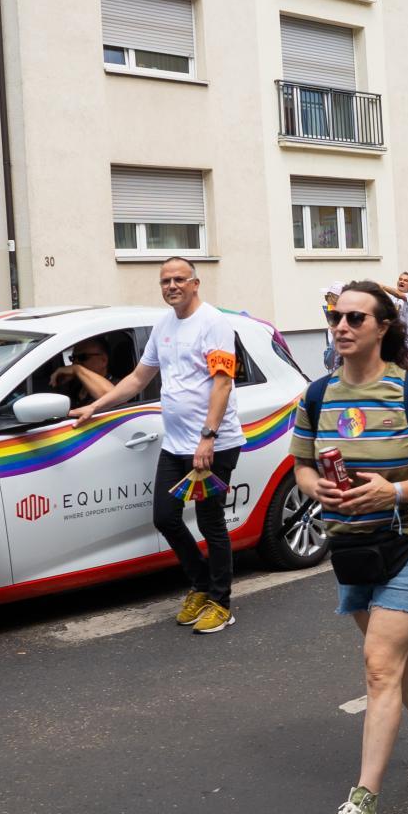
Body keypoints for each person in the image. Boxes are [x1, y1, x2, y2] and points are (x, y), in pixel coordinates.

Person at [294, 282, 408, 814]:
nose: (341, 326)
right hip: (351, 546)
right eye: (335, 316)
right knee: (393, 659)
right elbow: (299, 464)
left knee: (377, 664)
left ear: (383, 327)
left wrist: (391, 494)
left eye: (354, 318)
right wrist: (318, 488)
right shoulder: (316, 395)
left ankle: (363, 802)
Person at [73, 257, 245, 633]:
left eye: (179, 279)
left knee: (210, 523)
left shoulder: (214, 323)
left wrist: (208, 437)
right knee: (165, 517)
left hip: (213, 444)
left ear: (195, 283)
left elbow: (222, 383)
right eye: (165, 280)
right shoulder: (163, 325)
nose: (172, 286)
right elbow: (138, 378)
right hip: (176, 443)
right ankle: (201, 584)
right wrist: (95, 406)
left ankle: (221, 602)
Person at [47, 339, 116, 408]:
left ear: (104, 360)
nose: (75, 362)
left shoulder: (118, 385)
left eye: (82, 357)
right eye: (73, 358)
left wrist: (77, 369)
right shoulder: (75, 385)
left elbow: (114, 399)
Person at [381, 272, 408, 371]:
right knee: (396, 371)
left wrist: (382, 286)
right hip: (396, 342)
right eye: (400, 279)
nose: (402, 281)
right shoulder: (391, 298)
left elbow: (398, 294)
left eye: (405, 280)